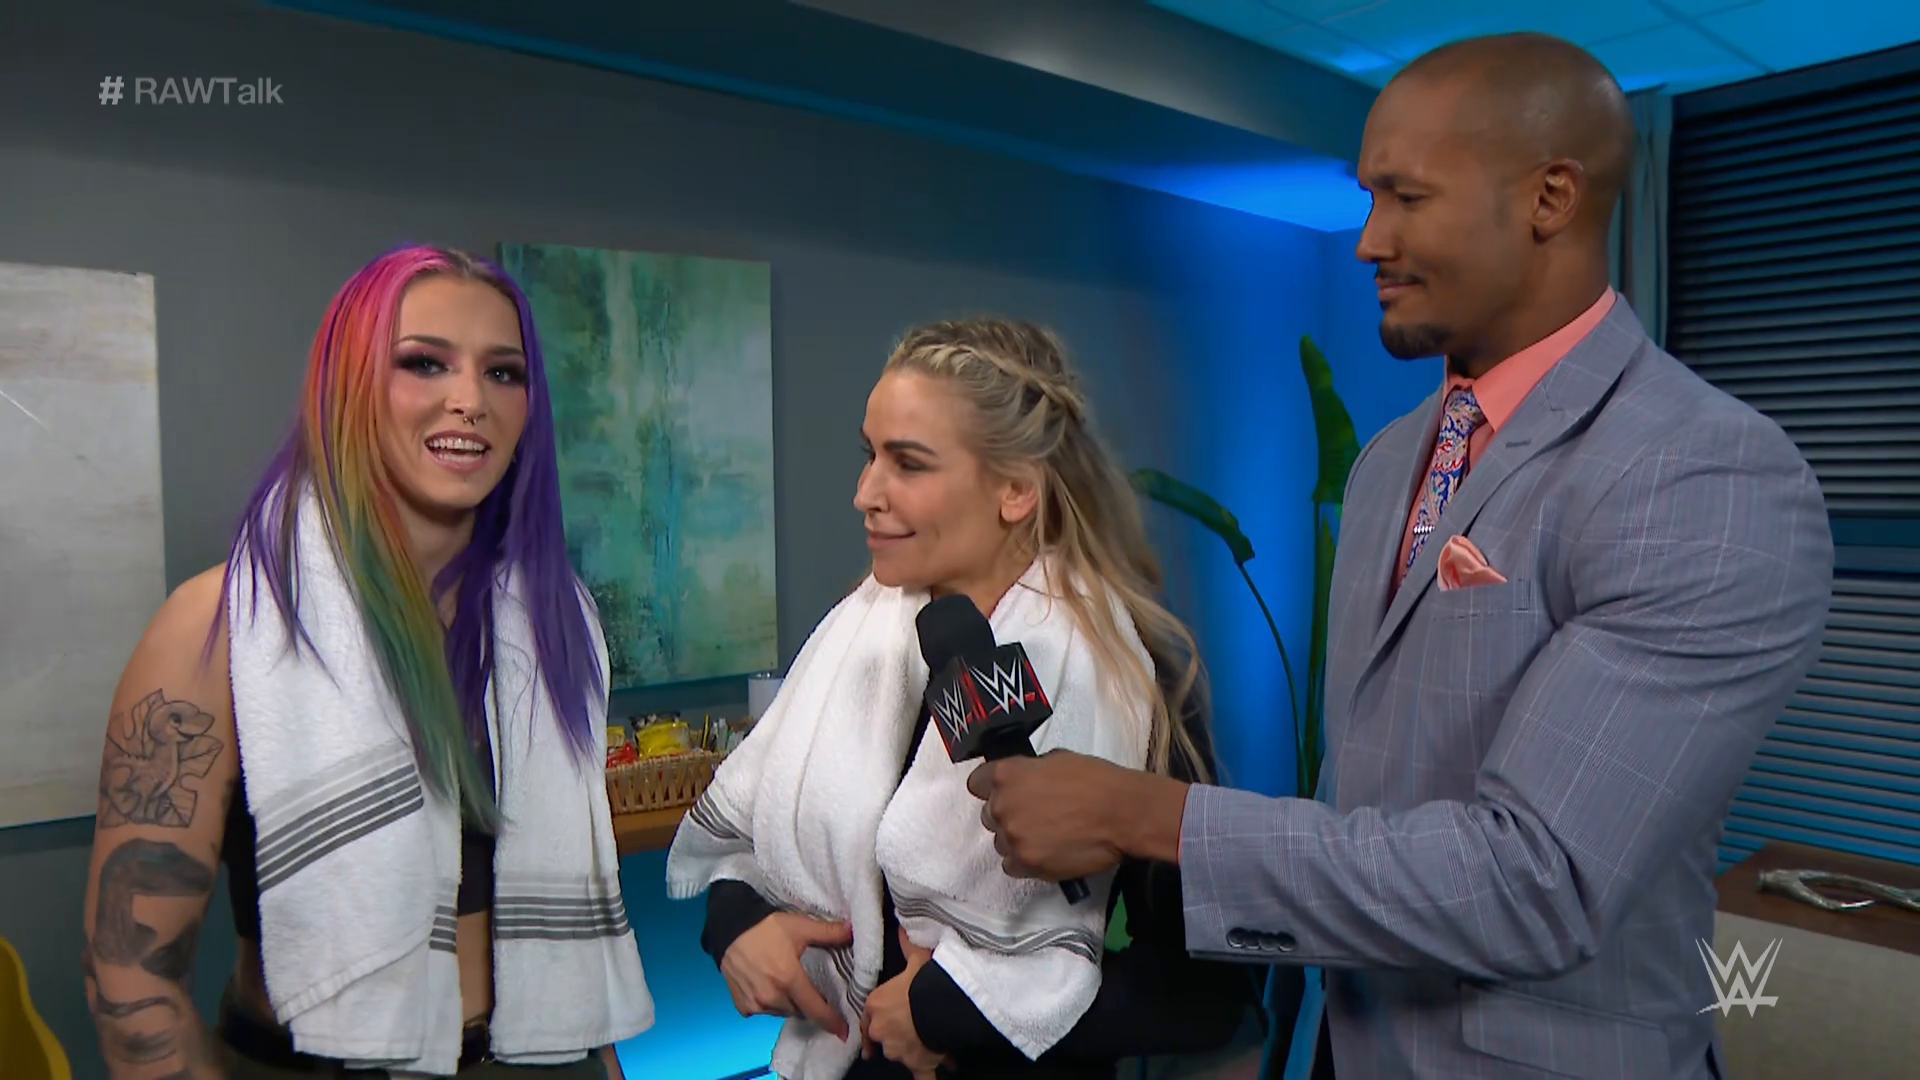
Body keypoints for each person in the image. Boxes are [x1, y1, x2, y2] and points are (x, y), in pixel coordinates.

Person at [963, 32, 1834, 1080]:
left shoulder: (1704, 472)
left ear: (1549, 199)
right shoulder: (1387, 464)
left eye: (1407, 198)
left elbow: (1538, 881)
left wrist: (1149, 817)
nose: (1369, 240)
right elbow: (1376, 802)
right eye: (1369, 198)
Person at [79, 244, 656, 1079]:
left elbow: (561, 918)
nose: (470, 401)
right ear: (346, 386)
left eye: (503, 373)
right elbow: (131, 976)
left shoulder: (557, 625)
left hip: (536, 1058)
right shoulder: (218, 625)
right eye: (424, 362)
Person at [665, 318, 1255, 1080]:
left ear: (1016, 490)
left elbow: (1208, 997)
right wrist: (736, 927)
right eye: (870, 455)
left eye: (908, 463)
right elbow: (752, 833)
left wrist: (952, 1016)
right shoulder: (854, 647)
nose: (864, 494)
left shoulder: (1129, 680)